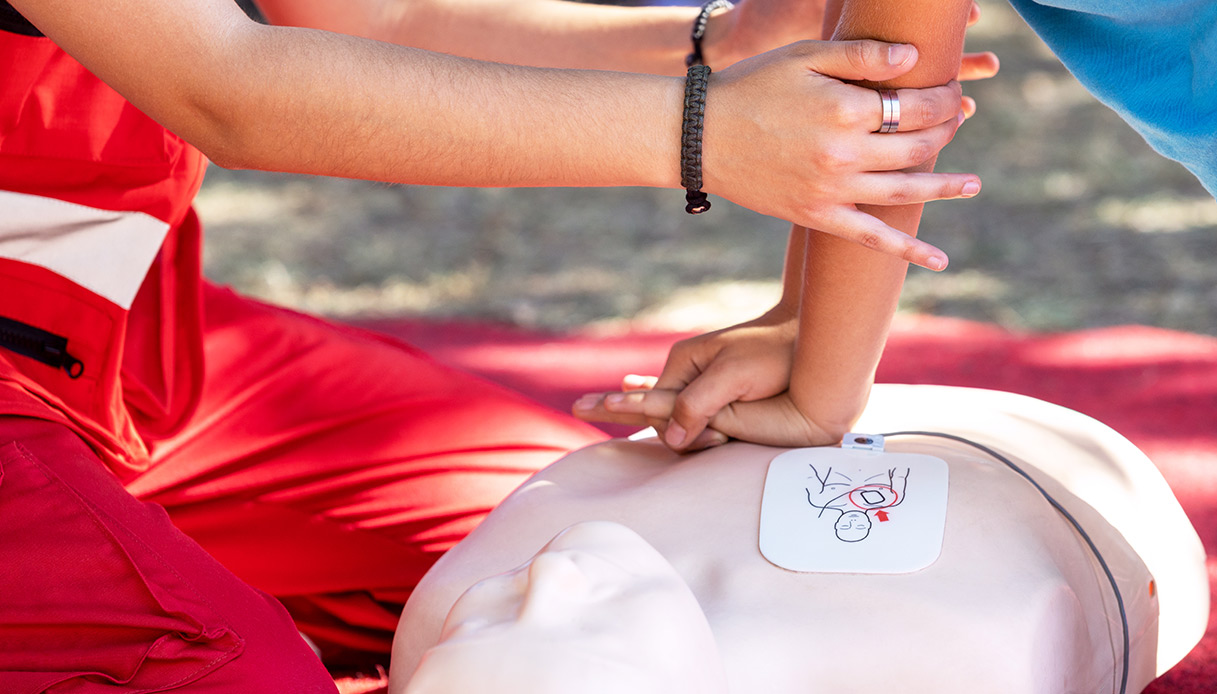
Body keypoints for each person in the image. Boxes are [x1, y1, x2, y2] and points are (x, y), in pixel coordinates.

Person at [0, 0, 996, 690]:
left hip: (123, 344)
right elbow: (224, 86)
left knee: (595, 544)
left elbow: (379, 19)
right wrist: (704, 132)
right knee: (227, 676)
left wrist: (722, 45)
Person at [392, 384, 1210, 694]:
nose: (551, 582)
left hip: (811, 424)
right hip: (1079, 479)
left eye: (496, 621)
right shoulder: (969, 651)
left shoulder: (442, 617)